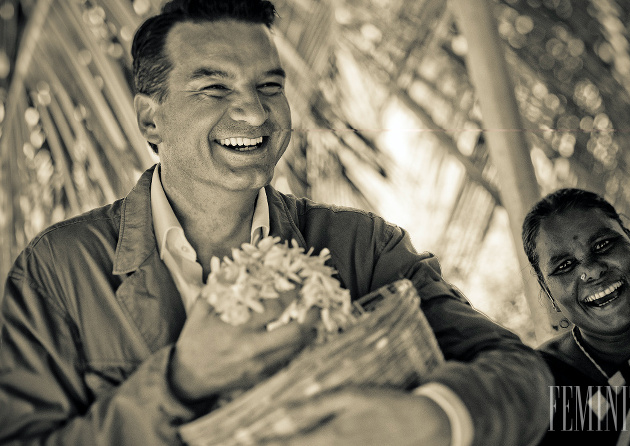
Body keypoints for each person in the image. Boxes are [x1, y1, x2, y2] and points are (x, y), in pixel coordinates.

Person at [0, 1, 552, 444]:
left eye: (269, 87)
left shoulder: (362, 248)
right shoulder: (57, 270)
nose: (254, 113)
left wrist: (435, 419)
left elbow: (524, 374)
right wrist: (177, 383)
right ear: (151, 117)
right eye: (214, 88)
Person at [521, 188, 630, 445]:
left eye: (603, 245)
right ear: (548, 292)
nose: (591, 270)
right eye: (564, 266)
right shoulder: (537, 388)